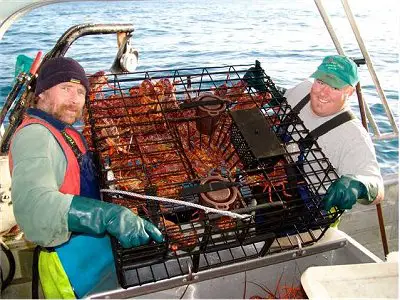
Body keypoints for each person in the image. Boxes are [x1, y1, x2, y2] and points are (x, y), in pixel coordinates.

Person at [9, 57, 164, 298]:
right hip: (68, 266)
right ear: (41, 94)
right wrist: (110, 215)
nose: (74, 99)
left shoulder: (65, 132)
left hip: (96, 253)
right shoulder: (35, 136)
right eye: (65, 88)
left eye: (80, 91)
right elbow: (34, 206)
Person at [283, 55, 384, 211]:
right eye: (320, 82)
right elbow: (279, 103)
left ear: (349, 92)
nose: (323, 92)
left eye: (335, 87)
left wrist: (360, 186)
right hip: (273, 182)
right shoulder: (302, 90)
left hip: (308, 213)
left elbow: (378, 188)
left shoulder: (353, 136)